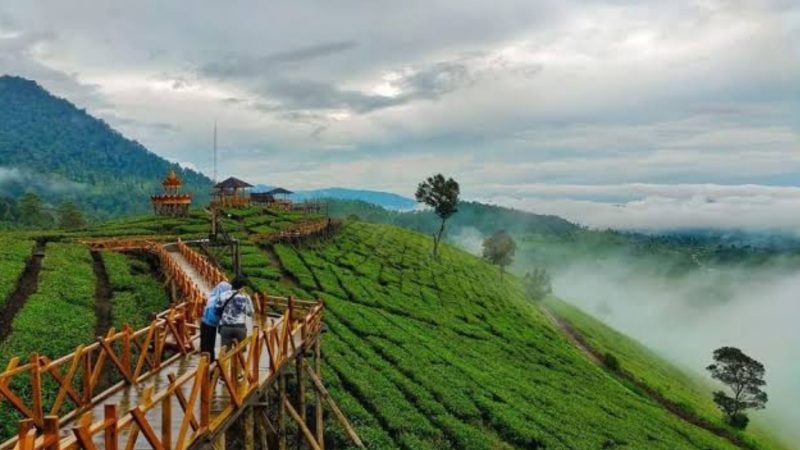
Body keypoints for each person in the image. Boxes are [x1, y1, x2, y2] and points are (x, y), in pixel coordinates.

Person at [218, 277, 254, 349]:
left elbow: (218, 307)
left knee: (225, 353)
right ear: (242, 287)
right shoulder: (245, 297)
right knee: (240, 354)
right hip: (239, 327)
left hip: (225, 327)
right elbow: (250, 313)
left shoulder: (223, 295)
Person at [201, 281, 231, 362]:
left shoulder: (213, 297)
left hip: (205, 323)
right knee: (209, 345)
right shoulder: (219, 300)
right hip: (210, 324)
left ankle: (206, 363)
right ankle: (207, 364)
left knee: (206, 344)